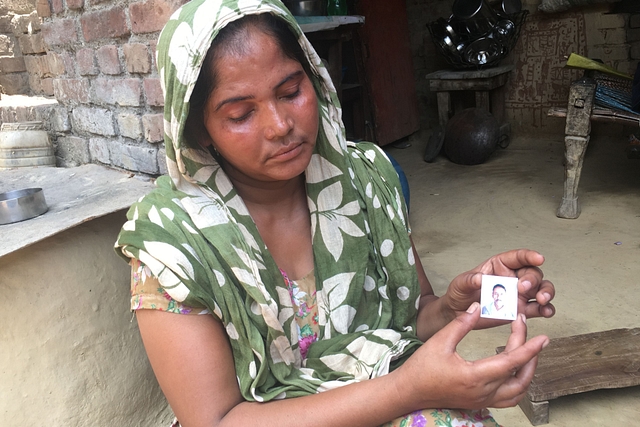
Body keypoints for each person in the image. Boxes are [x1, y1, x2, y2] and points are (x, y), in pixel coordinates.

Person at [115, 1, 556, 426]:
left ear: (316, 79)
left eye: (291, 92)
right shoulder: (170, 242)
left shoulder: (365, 181)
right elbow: (214, 420)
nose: (280, 125)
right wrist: (410, 389)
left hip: (386, 387)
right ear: (199, 130)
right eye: (242, 113)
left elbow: (410, 320)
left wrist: (456, 309)